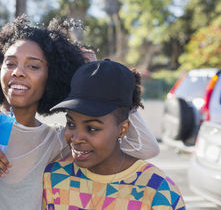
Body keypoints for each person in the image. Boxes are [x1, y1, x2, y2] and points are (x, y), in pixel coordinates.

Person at [0, 16, 160, 210]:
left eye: (33, 66)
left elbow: (146, 148)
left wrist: (100, 75)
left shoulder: (55, 141)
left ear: (53, 76)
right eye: (10, 63)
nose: (18, 72)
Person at [43, 60, 185, 210]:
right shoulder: (54, 177)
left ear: (123, 129)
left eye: (91, 128)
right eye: (71, 124)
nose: (76, 138)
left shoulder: (158, 190)